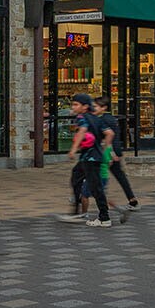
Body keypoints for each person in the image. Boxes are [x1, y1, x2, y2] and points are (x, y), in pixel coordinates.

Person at [58, 94, 112, 227]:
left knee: (96, 187)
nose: (73, 107)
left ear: (85, 107)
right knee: (76, 176)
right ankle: (76, 211)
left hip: (90, 158)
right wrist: (104, 148)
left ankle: (104, 218)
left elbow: (82, 131)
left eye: (76, 104)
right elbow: (110, 133)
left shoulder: (82, 118)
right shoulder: (97, 119)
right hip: (91, 157)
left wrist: (73, 149)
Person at [90, 98, 138, 217]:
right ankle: (132, 200)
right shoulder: (111, 118)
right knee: (120, 176)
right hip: (115, 151)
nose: (93, 109)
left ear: (104, 108)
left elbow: (108, 139)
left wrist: (111, 154)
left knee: (98, 178)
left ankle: (84, 197)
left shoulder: (103, 120)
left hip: (108, 153)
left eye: (95, 107)